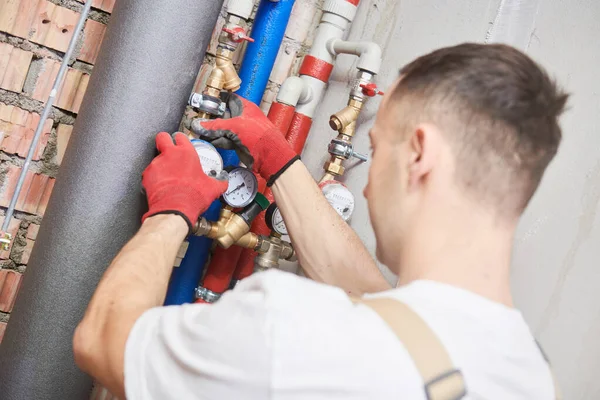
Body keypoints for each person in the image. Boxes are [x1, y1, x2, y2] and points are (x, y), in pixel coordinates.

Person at [73, 43, 568, 399]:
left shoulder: (295, 332)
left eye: (376, 152)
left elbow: (103, 342)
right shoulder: (526, 371)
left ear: (420, 153)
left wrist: (172, 208)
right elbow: (381, 303)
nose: (368, 188)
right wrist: (279, 160)